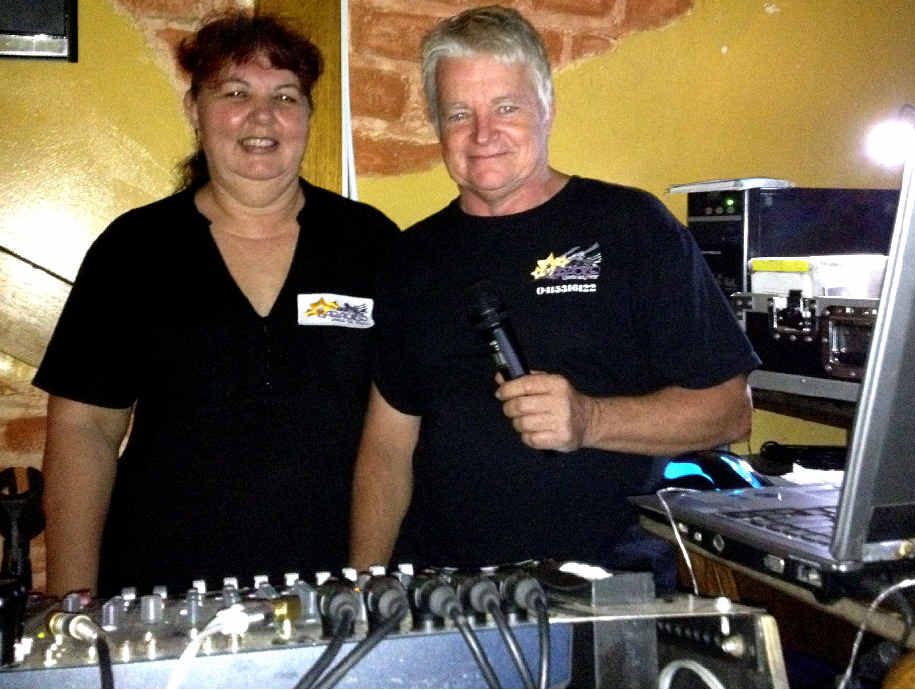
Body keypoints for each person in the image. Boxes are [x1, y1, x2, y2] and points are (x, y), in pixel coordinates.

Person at [349, 5, 760, 583]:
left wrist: (589, 420)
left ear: (546, 109)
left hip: (608, 590)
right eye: (459, 112)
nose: (482, 134)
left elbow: (729, 410)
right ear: (438, 125)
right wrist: (363, 590)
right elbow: (388, 449)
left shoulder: (631, 226)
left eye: (506, 107)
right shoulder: (410, 257)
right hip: (447, 595)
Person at [34, 12, 399, 597]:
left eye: (285, 95)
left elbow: (397, 429)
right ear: (194, 111)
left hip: (333, 589)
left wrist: (367, 582)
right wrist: (72, 603)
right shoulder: (135, 249)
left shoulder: (370, 244)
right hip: (162, 591)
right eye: (234, 92)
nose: (262, 115)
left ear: (307, 115)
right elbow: (85, 430)